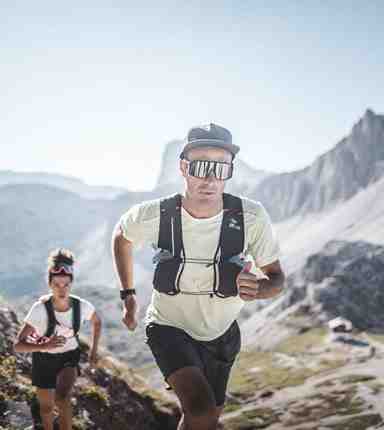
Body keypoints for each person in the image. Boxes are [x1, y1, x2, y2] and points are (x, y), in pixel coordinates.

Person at [112, 123, 285, 430]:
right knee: (202, 411)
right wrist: (128, 296)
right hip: (168, 327)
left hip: (223, 334)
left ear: (230, 171)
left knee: (204, 417)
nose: (209, 178)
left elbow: (277, 278)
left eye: (221, 168)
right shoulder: (156, 215)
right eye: (200, 167)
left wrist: (259, 288)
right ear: (183, 167)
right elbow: (121, 237)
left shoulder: (251, 217)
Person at [14, 248, 102, 430]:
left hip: (69, 357)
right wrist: (45, 345)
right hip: (43, 360)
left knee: (62, 398)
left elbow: (97, 322)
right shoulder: (39, 310)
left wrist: (94, 352)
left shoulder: (82, 306)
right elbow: (18, 345)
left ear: (71, 284)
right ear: (50, 284)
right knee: (46, 408)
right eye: (57, 285)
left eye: (66, 285)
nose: (62, 289)